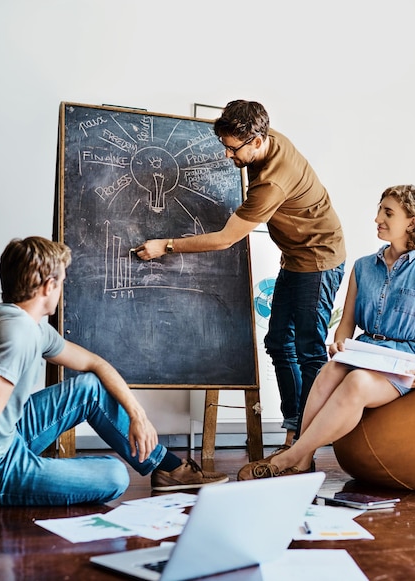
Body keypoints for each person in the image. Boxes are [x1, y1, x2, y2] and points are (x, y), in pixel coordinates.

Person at [0, 236, 228, 536]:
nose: (62, 288)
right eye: (62, 281)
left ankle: (166, 467)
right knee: (114, 476)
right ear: (48, 286)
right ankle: (25, 478)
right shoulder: (15, 336)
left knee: (89, 387)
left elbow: (95, 364)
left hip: (6, 438)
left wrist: (138, 415)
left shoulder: (23, 324)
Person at [135, 100, 346, 446]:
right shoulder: (264, 139)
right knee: (279, 342)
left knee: (309, 350)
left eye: (233, 150)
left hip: (320, 260)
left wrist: (167, 245)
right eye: (225, 147)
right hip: (295, 258)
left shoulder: (272, 183)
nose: (229, 158)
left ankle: (305, 439)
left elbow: (223, 240)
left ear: (257, 141)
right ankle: (295, 424)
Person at [235, 184, 415, 480]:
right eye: (379, 210)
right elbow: (346, 325)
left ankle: (289, 456)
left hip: (404, 360)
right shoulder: (363, 267)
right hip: (365, 351)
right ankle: (304, 460)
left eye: (388, 212)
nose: (378, 218)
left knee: (356, 383)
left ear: (412, 222)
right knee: (327, 372)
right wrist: (339, 345)